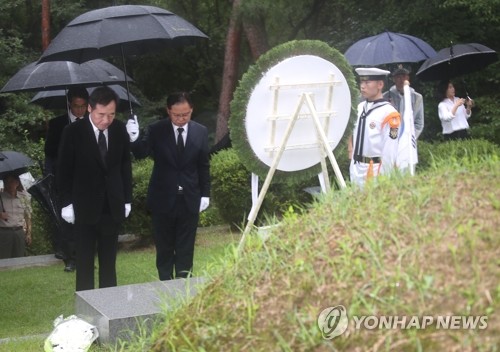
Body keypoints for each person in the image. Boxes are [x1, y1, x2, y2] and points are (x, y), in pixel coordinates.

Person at [127, 91, 210, 280]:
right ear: (168, 111)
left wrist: (205, 193)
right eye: (176, 115)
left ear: (192, 110)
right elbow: (141, 153)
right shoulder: (157, 130)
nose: (181, 119)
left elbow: (203, 165)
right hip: (163, 198)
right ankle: (165, 283)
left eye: (186, 114)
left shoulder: (200, 131)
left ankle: (184, 284)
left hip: (189, 197)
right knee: (164, 246)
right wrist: (133, 138)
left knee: (186, 246)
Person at [56, 86, 133, 291]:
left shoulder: (119, 129)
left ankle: (110, 305)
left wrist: (127, 199)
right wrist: (66, 203)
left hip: (111, 205)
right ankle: (86, 309)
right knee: (84, 262)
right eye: (101, 114)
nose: (106, 120)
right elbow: (63, 170)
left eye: (111, 114)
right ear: (90, 108)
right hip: (83, 206)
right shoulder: (73, 132)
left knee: (109, 262)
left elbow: (125, 166)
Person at [44, 85, 89, 268]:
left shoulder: (92, 122)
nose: (79, 110)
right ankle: (70, 258)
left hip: (87, 178)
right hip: (65, 178)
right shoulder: (58, 124)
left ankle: (85, 255)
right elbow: (49, 151)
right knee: (68, 218)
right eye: (76, 106)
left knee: (86, 218)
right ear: (69, 104)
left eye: (83, 106)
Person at [348, 67, 401, 187]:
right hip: (356, 167)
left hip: (375, 170)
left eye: (367, 82)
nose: (362, 86)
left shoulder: (389, 113)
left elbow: (390, 150)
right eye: (361, 82)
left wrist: (384, 176)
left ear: (380, 84)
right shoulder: (360, 108)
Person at [383, 66, 424, 138]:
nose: (401, 80)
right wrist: (392, 137)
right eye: (398, 77)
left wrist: (411, 137)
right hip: (390, 137)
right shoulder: (385, 97)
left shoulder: (417, 97)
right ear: (394, 79)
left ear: (408, 78)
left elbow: (419, 123)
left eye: (404, 76)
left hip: (409, 139)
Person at [0, 173, 32, 259]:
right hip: (4, 232)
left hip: (19, 231)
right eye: (6, 182)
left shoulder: (24, 197)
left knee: (19, 257)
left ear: (17, 183)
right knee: (4, 258)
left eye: (11, 181)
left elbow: (28, 216)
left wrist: (29, 233)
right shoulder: (0, 197)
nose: (9, 184)